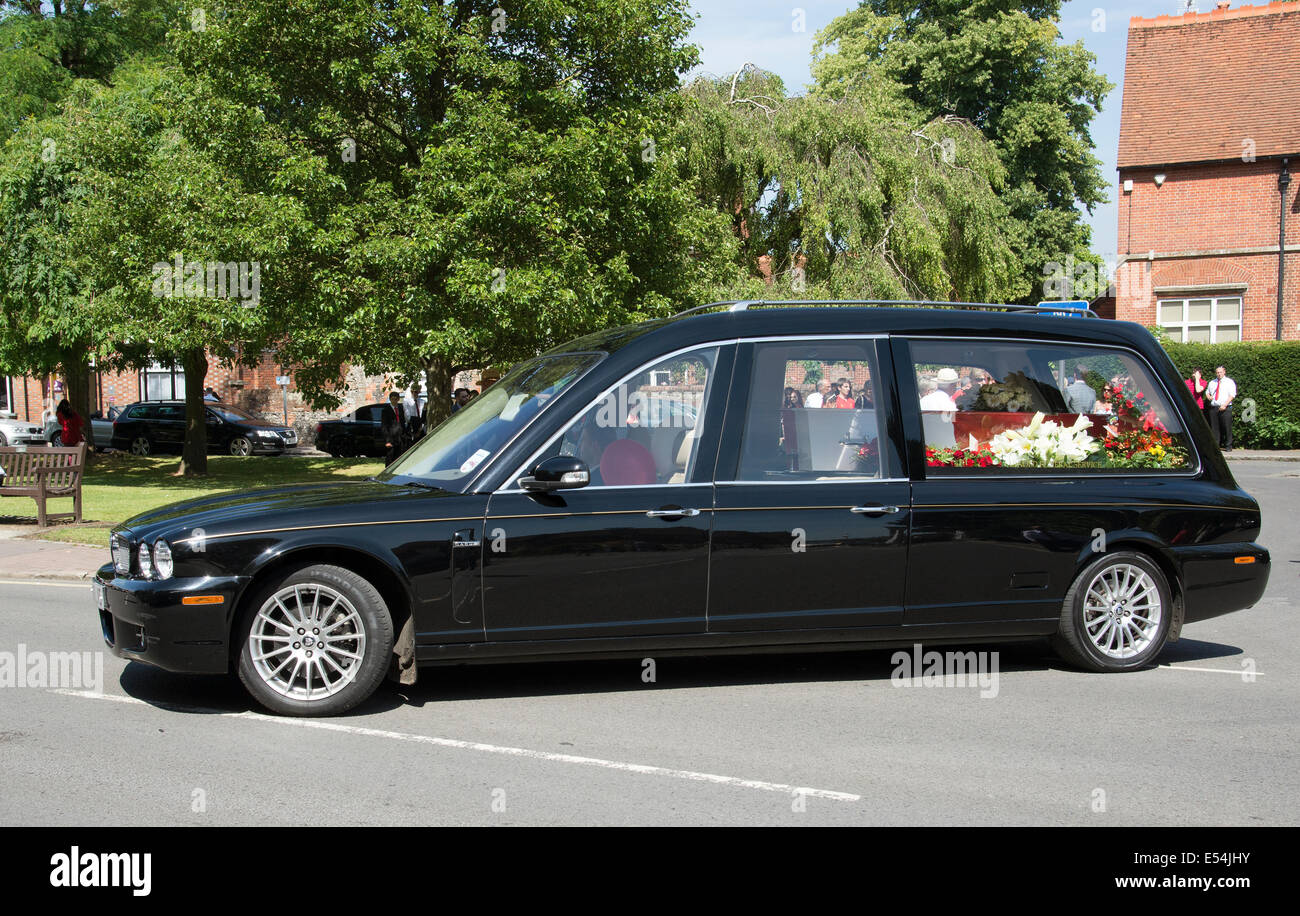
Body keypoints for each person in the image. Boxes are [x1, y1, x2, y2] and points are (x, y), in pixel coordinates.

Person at [1206, 366, 1236, 451]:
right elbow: (1207, 392)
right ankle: (1216, 446)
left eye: (1220, 372)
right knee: (1214, 428)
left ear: (1224, 372)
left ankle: (1228, 446)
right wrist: (1208, 397)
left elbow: (1232, 395)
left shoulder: (1229, 382)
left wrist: (1225, 405)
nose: (1219, 374)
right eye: (1217, 372)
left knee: (1227, 427)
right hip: (1214, 407)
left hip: (1225, 407)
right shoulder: (1212, 382)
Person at [379, 392, 409, 465]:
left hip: (401, 437)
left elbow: (404, 421)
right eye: (392, 399)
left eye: (396, 399)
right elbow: (384, 426)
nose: (394, 401)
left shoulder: (401, 409)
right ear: (390, 399)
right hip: (391, 438)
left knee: (400, 458)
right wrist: (387, 441)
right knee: (390, 457)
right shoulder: (386, 410)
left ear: (398, 399)